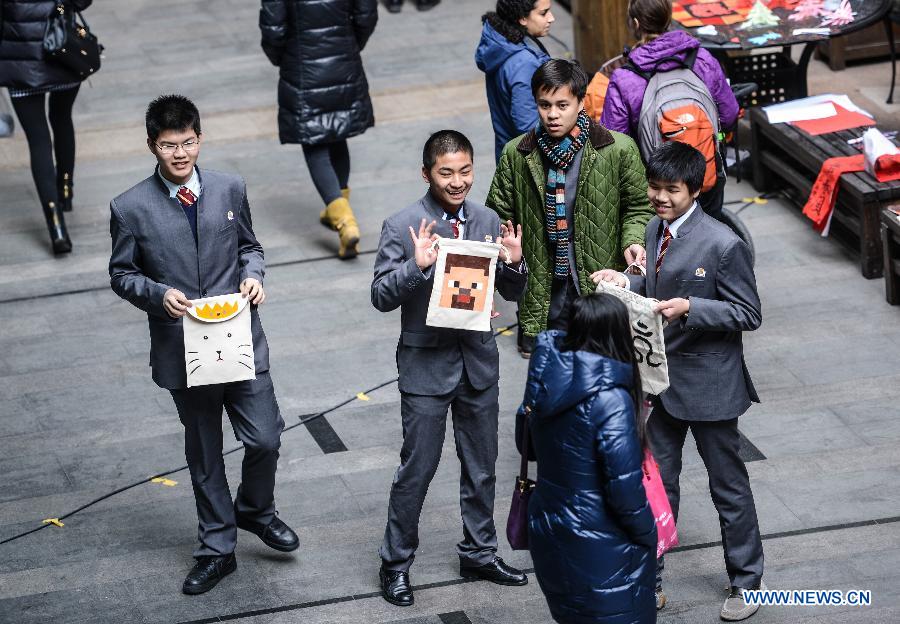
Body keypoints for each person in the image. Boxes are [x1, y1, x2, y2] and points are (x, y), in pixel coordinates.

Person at [109, 95, 299, 596]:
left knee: (266, 437)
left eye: (188, 142)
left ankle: (255, 510)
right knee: (205, 452)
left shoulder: (229, 187)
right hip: (183, 346)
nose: (179, 154)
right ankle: (217, 548)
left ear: (201, 137)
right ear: (152, 145)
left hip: (239, 335)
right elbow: (121, 273)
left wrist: (253, 276)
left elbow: (250, 247)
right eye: (168, 145)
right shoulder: (129, 207)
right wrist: (156, 294)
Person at [593, 142, 764, 621]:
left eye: (671, 189)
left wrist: (692, 307)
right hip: (660, 383)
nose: (661, 197)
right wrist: (626, 281)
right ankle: (652, 581)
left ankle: (747, 583)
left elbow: (748, 313)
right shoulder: (652, 230)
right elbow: (652, 288)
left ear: (696, 189)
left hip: (710, 385)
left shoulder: (723, 243)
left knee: (728, 487)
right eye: (655, 187)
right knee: (656, 488)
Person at [372, 130, 529, 607]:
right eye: (446, 173)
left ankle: (479, 551)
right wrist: (416, 267)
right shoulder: (403, 225)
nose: (457, 181)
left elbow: (511, 292)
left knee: (481, 469)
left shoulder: (486, 219)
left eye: (464, 171)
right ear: (427, 174)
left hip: (477, 362)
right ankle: (395, 563)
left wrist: (515, 265)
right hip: (426, 365)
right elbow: (380, 296)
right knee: (416, 470)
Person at [486, 58, 654, 357]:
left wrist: (633, 239)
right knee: (554, 374)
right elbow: (498, 213)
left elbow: (639, 207)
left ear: (580, 102)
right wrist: (507, 250)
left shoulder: (618, 150)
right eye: (544, 105)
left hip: (600, 281)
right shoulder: (516, 154)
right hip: (544, 288)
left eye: (562, 105)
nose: (552, 114)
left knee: (606, 367)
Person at [522, 293, 657, 624]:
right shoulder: (611, 399)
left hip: (550, 522)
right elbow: (624, 490)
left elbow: (527, 446)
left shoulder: (545, 377)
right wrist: (649, 533)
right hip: (601, 538)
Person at [259, 0, 378, 259]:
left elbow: (274, 28)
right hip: (343, 56)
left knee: (314, 142)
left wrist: (284, 55)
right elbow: (366, 14)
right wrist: (349, 43)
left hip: (302, 62)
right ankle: (338, 202)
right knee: (338, 133)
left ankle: (344, 220)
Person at [600, 0, 738, 219]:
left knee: (663, 245)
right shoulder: (701, 58)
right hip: (706, 176)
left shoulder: (625, 77)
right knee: (709, 237)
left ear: (635, 24)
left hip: (658, 186)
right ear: (669, 18)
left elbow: (614, 142)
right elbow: (729, 115)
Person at [0, 0, 94, 254]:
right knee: (62, 119)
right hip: (62, 51)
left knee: (38, 139)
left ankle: (56, 226)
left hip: (18, 63)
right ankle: (65, 188)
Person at [476, 0, 554, 163]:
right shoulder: (524, 63)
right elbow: (528, 127)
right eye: (543, 13)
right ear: (522, 18)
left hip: (508, 156)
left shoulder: (502, 44)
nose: (551, 18)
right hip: (528, 167)